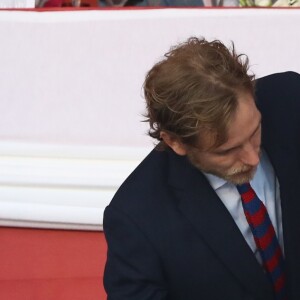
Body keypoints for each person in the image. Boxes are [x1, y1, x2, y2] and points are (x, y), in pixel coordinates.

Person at [103, 37, 300, 300]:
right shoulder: (137, 219)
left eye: (254, 131)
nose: (253, 157)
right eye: (227, 150)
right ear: (175, 142)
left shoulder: (291, 99)